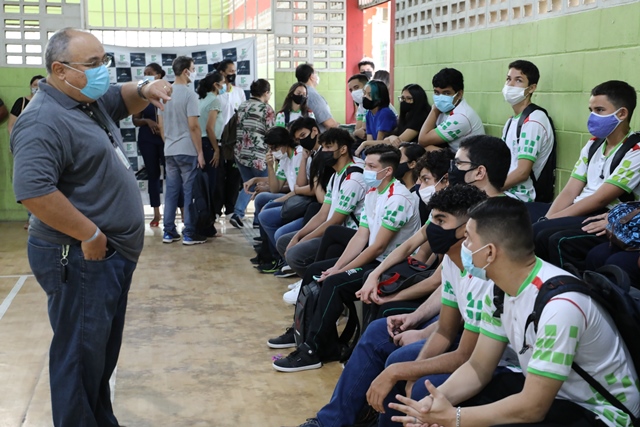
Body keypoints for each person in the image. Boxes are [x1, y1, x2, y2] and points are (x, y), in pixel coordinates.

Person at [10, 27, 171, 427]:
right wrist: (90, 234)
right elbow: (33, 191)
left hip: (107, 255)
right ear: (61, 70)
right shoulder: (42, 121)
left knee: (96, 355)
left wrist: (147, 85)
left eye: (105, 61)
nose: (104, 72)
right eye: (94, 64)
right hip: (80, 255)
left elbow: (123, 95)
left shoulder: (85, 100)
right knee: (78, 358)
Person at [391, 196, 640, 427]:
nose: (463, 246)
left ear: (489, 252)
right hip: (557, 396)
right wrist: (435, 403)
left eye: (468, 238)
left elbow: (533, 408)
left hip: (603, 413)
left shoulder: (560, 307)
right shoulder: (500, 290)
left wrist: (454, 417)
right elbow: (478, 367)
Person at [292, 184, 490, 427]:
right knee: (378, 330)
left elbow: (466, 353)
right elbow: (445, 327)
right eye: (432, 220)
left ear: (467, 228)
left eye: (441, 220)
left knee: (400, 361)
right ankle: (332, 421)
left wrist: (408, 370)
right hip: (459, 336)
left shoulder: (483, 273)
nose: (432, 229)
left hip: (487, 354)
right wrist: (415, 323)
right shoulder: (452, 259)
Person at [272, 144, 422, 372]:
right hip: (375, 259)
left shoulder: (398, 198)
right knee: (316, 270)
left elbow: (378, 246)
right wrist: (339, 265)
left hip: (393, 267)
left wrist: (340, 271)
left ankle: (312, 351)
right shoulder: (374, 192)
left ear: (388, 171)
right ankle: (303, 332)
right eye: (366, 165)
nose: (366, 171)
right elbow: (361, 237)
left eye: (372, 166)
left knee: (334, 282)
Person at [532, 80, 640, 267]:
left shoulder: (635, 150)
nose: (592, 116)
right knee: (535, 227)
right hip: (580, 207)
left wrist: (551, 221)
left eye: (599, 110)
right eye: (590, 110)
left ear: (622, 113)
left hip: (604, 214)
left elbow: (599, 199)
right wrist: (548, 218)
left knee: (551, 237)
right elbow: (569, 190)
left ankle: (568, 290)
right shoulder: (593, 144)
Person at [275, 128, 366, 293]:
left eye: (328, 147)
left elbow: (335, 221)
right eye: (322, 147)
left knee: (295, 253)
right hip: (332, 229)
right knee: (284, 241)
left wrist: (302, 240)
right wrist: (298, 235)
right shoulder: (336, 175)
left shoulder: (354, 179)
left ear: (343, 149)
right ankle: (308, 279)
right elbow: (323, 214)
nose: (323, 152)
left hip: (348, 234)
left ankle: (314, 286)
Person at [158, 55, 207, 245]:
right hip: (187, 149)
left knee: (171, 192)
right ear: (186, 71)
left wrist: (169, 142)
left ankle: (168, 232)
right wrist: (200, 152)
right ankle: (189, 232)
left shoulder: (164, 92)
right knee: (189, 192)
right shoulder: (189, 94)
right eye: (193, 69)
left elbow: (161, 125)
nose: (194, 72)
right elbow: (194, 126)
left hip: (169, 149)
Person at [249, 126, 305, 272]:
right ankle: (266, 250)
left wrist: (277, 201)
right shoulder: (285, 158)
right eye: (270, 149)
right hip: (295, 196)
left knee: (266, 211)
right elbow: (275, 188)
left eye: (274, 148)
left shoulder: (300, 156)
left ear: (285, 143)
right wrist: (270, 166)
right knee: (262, 198)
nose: (272, 152)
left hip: (302, 199)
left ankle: (281, 258)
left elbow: (300, 189)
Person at [501, 60, 554, 203]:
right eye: (508, 79)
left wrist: (492, 189)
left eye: (518, 80)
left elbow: (522, 172)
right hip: (507, 192)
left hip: (522, 198)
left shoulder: (533, 121)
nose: (510, 85)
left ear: (531, 88)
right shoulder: (512, 121)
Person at [228, 78, 276, 229]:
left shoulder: (243, 106)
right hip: (259, 155)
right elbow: (271, 132)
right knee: (262, 185)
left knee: (249, 184)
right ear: (266, 93)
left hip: (241, 153)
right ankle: (255, 218)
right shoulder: (266, 109)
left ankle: (240, 214)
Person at [132, 63, 173, 227]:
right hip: (147, 139)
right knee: (153, 176)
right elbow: (135, 120)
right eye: (144, 73)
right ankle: (156, 214)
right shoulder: (142, 94)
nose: (146, 76)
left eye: (150, 73)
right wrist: (148, 121)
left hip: (167, 139)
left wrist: (163, 127)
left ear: (159, 75)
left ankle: (178, 211)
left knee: (172, 176)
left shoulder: (169, 91)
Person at [418, 68, 484, 151]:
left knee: (424, 148)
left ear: (459, 94)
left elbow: (423, 140)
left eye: (446, 93)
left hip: (467, 161)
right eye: (436, 92)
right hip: (454, 153)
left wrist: (434, 110)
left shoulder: (461, 116)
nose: (440, 98)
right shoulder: (447, 108)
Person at [212, 59, 245, 222]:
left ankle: (231, 208)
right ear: (222, 73)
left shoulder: (239, 92)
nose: (233, 74)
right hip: (218, 140)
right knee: (218, 177)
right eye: (230, 71)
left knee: (234, 176)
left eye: (234, 71)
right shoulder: (216, 93)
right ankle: (216, 209)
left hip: (235, 142)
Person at [196, 71, 226, 236]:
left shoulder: (202, 100)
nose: (225, 86)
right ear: (216, 84)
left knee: (204, 187)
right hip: (210, 144)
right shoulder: (214, 100)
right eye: (223, 82)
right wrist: (216, 149)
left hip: (202, 145)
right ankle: (207, 226)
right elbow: (209, 128)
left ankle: (205, 225)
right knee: (212, 187)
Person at [354, 80, 398, 157]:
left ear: (379, 98)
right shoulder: (369, 113)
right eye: (364, 93)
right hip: (375, 148)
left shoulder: (385, 113)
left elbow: (379, 143)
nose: (364, 97)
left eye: (369, 95)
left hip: (386, 151)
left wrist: (364, 144)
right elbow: (370, 140)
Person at [295, 63, 339, 132]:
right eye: (315, 73)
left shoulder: (297, 92)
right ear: (311, 77)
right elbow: (329, 124)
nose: (317, 76)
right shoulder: (313, 96)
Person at [348, 73, 370, 142]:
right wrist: (355, 133)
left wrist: (356, 133)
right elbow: (358, 130)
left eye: (356, 87)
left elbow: (364, 133)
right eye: (351, 90)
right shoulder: (361, 106)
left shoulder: (374, 105)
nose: (353, 92)